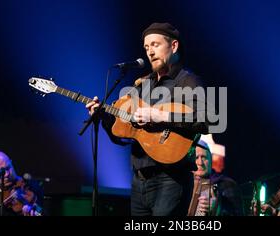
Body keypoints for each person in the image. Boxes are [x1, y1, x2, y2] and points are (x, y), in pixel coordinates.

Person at [86, 22, 208, 216]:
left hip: (170, 180)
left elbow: (206, 119)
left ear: (174, 46)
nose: (150, 51)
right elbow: (124, 134)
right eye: (146, 47)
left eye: (155, 45)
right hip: (138, 181)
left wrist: (160, 115)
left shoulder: (187, 81)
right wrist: (104, 118)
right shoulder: (141, 85)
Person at [188, 140, 244, 216]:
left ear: (210, 160)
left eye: (204, 157)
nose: (200, 162)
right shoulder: (181, 183)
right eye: (196, 157)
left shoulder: (227, 184)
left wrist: (217, 208)